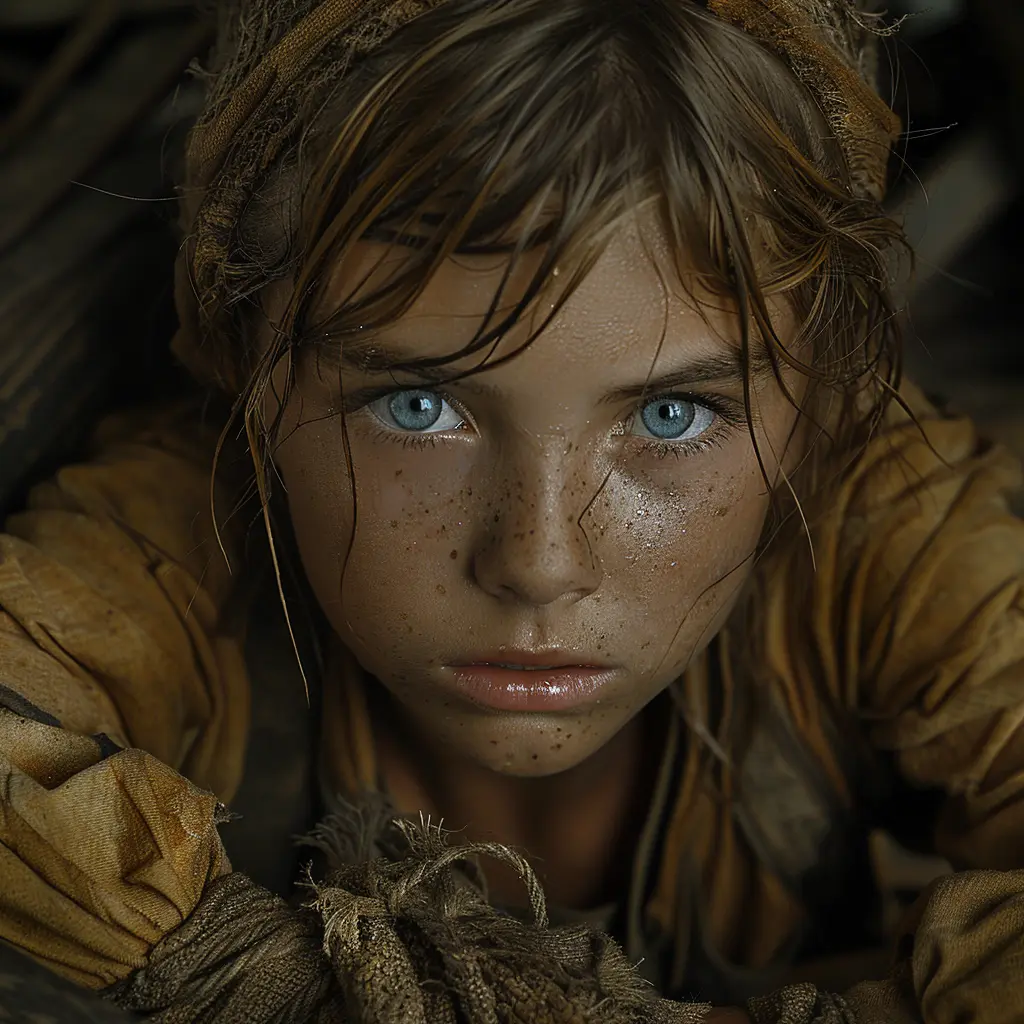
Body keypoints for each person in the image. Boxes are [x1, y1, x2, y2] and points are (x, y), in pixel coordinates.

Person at [1, 0, 1022, 1021]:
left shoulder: (886, 532)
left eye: (670, 415)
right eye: (419, 406)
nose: (538, 562)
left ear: (821, 401)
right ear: (251, 373)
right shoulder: (178, 537)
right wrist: (265, 973)